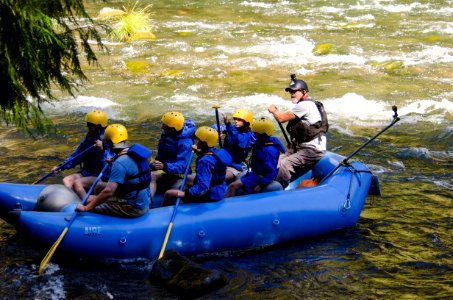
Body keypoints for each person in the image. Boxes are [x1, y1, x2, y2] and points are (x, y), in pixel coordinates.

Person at [76, 124, 152, 217]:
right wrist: (113, 163)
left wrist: (86, 208)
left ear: (110, 143)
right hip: (142, 199)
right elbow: (131, 172)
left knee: (88, 202)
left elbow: (109, 191)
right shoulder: (134, 153)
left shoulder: (120, 162)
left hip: (133, 208)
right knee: (99, 185)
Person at [268, 75, 327, 188]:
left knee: (286, 163)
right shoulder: (306, 104)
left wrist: (274, 110)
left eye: (294, 91)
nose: (292, 94)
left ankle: (278, 189)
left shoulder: (305, 105)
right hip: (302, 146)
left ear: (304, 92)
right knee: (278, 159)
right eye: (290, 91)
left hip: (312, 150)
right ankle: (268, 183)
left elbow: (281, 118)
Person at [162, 126, 231, 206]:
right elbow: (210, 158)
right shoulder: (216, 151)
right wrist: (199, 152)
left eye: (198, 140)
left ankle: (162, 212)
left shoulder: (204, 161)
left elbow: (203, 187)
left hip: (210, 194)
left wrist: (186, 194)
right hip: (219, 188)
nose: (195, 141)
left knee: (169, 193)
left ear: (204, 144)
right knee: (187, 178)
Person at [225, 117, 286, 197]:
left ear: (262, 134)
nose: (254, 134)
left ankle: (227, 207)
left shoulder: (269, 151)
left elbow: (272, 172)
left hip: (259, 178)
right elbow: (241, 141)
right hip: (255, 173)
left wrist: (261, 184)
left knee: (232, 186)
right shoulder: (264, 141)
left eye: (256, 133)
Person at [53, 109, 110, 191]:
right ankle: (72, 201)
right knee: (66, 180)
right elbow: (77, 155)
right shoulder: (89, 137)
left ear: (99, 126)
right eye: (88, 124)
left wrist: (103, 150)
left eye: (91, 125)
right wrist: (61, 167)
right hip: (87, 172)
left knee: (77, 183)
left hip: (102, 176)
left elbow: (111, 163)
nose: (88, 127)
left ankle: (84, 203)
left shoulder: (109, 138)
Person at [149, 112, 195, 200]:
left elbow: (181, 166)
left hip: (179, 175)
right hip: (166, 170)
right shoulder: (168, 135)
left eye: (165, 126)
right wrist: (155, 163)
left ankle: (147, 203)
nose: (162, 127)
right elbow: (161, 156)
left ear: (173, 129)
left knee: (171, 195)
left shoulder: (185, 143)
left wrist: (164, 166)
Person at [222, 109, 255, 183]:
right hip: (224, 162)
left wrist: (228, 125)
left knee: (218, 178)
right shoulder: (233, 129)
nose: (236, 121)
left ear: (246, 122)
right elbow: (220, 128)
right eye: (235, 119)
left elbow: (238, 140)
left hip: (235, 166)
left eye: (239, 120)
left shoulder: (248, 136)